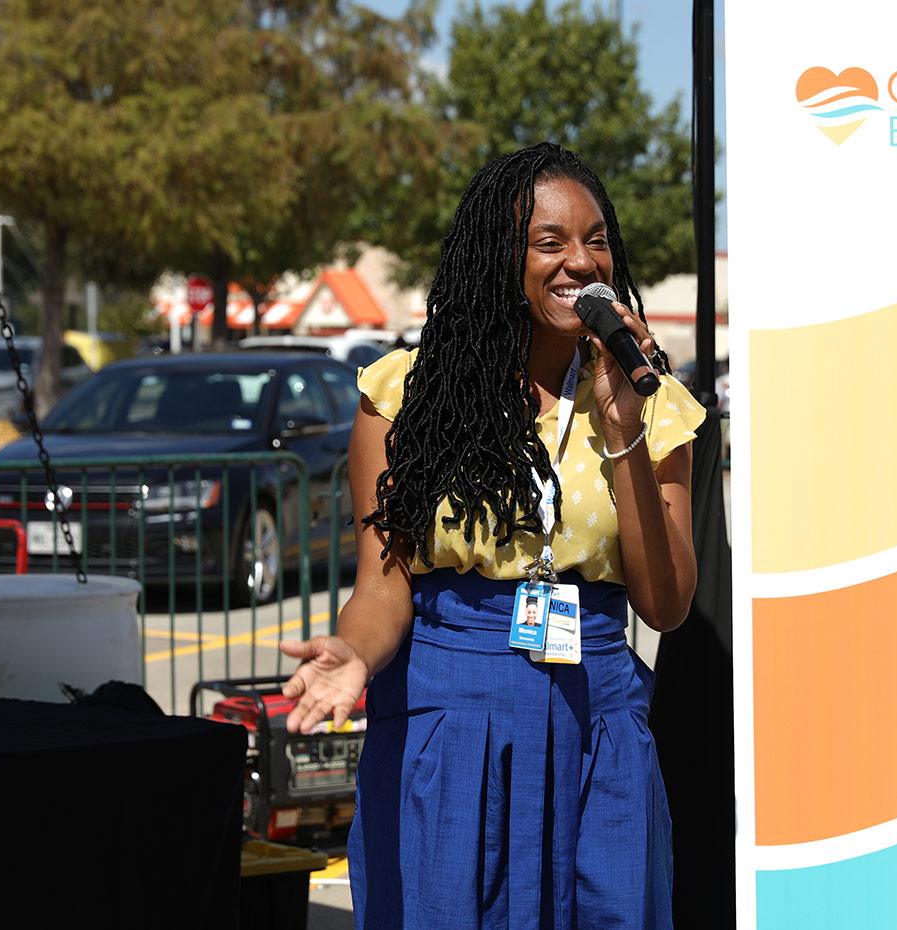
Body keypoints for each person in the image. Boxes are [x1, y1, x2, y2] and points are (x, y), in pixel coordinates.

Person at [278, 141, 707, 929]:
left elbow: (668, 602)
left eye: (597, 239)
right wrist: (354, 658)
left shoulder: (653, 405)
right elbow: (384, 583)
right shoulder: (404, 397)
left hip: (599, 724)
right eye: (550, 243)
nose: (581, 262)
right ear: (496, 258)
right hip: (450, 723)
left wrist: (623, 431)